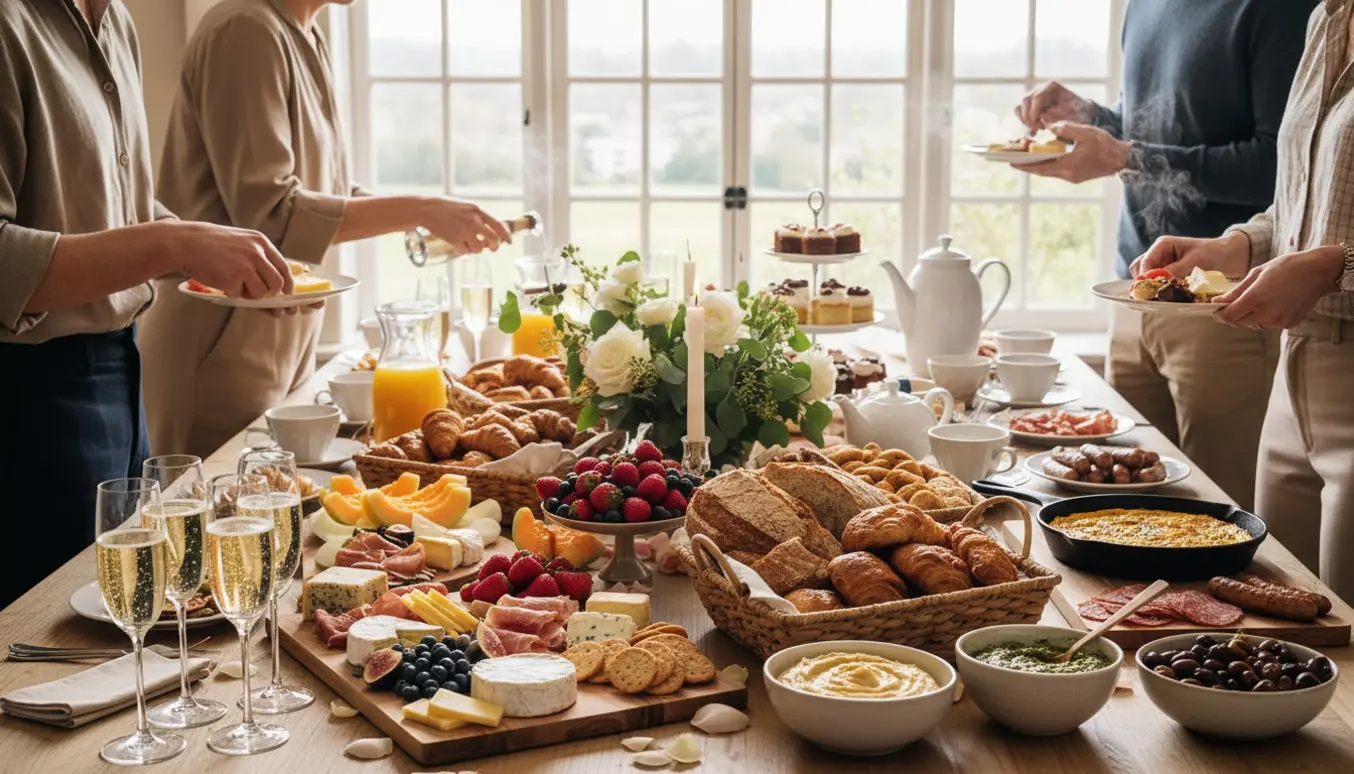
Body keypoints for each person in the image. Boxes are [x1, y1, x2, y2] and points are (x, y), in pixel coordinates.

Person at [0, 0, 296, 608]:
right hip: (27, 399)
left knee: (124, 624)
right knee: (41, 650)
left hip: (119, 372)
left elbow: (121, 218)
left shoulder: (116, 22)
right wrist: (176, 241)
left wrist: (211, 255)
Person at [139, 0, 512, 460]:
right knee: (224, 517)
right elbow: (272, 211)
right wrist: (418, 208)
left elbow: (323, 188)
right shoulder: (245, 30)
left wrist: (426, 214)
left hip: (270, 338)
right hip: (219, 343)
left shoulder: (303, 33)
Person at [1011, 0, 1316, 511]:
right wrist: (1090, 117)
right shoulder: (1146, 5)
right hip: (1130, 293)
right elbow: (1153, 133)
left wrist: (1126, 157)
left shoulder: (1278, 10)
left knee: (1217, 513)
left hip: (1222, 305)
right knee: (1123, 502)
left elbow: (1280, 167)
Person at [1131, 2, 1354, 600]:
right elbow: (1302, 202)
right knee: (1278, 616)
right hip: (1294, 366)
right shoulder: (1328, 17)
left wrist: (1336, 266)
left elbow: (1330, 247)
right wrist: (1235, 246)